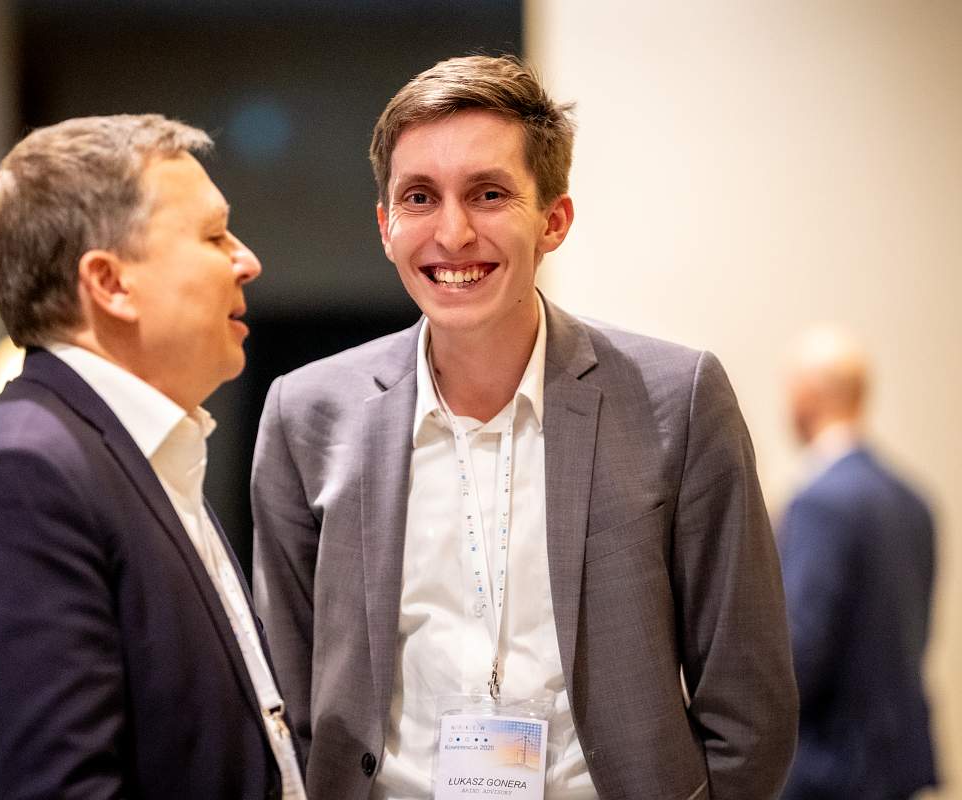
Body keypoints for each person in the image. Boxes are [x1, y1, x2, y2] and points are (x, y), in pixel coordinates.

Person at [251, 55, 796, 800]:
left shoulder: (678, 398)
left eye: (489, 194)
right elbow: (290, 698)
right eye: (419, 197)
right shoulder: (307, 414)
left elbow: (750, 703)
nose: (452, 233)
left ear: (554, 220)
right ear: (385, 225)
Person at [0, 115, 306, 799]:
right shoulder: (21, 473)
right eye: (214, 235)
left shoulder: (140, 455)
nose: (247, 261)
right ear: (110, 282)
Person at [779, 326, 936, 799]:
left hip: (831, 767)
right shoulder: (914, 501)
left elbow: (800, 650)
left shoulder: (819, 503)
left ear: (806, 397)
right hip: (896, 763)